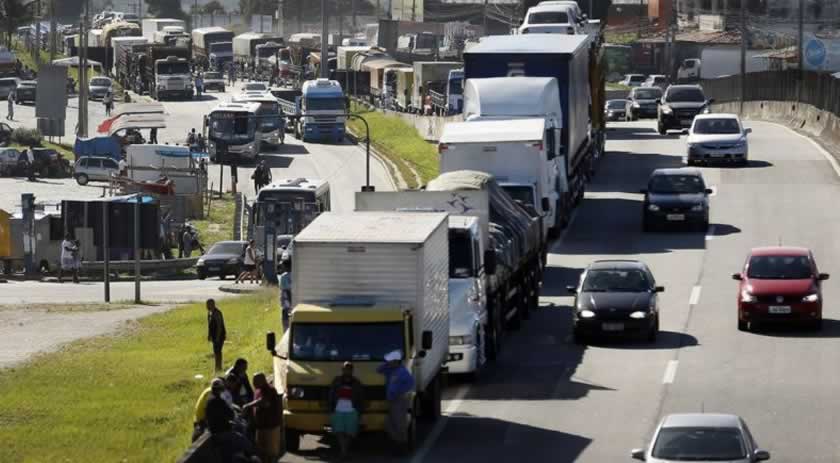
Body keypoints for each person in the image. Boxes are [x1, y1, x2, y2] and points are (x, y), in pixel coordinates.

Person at [377, 350, 414, 451]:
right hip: (392, 401)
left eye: (390, 361)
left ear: (396, 361)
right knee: (389, 424)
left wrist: (399, 392)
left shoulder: (402, 372)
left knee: (399, 424)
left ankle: (402, 445)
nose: (388, 362)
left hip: (399, 400)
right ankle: (399, 442)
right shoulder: (391, 370)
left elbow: (410, 383)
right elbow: (378, 369)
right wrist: (387, 364)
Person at [243, 372, 283, 463]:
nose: (253, 383)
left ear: (262, 380)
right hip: (260, 427)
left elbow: (265, 402)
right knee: (261, 452)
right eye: (253, 381)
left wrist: (248, 406)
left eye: (255, 381)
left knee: (271, 453)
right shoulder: (258, 390)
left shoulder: (270, 390)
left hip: (270, 427)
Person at [329, 362, 365, 460]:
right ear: (342, 370)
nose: (347, 370)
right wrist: (331, 408)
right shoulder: (336, 381)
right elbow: (331, 395)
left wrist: (360, 411)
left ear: (352, 371)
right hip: (338, 409)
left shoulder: (357, 383)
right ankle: (344, 452)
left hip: (352, 410)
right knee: (339, 431)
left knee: (350, 432)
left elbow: (361, 398)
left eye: (349, 369)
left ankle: (344, 451)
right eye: (345, 369)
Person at [207, 299, 227, 372]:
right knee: (215, 351)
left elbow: (219, 326)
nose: (207, 306)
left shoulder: (217, 313)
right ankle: (217, 367)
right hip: (214, 335)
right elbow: (209, 325)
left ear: (212, 304)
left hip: (219, 335)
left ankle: (218, 368)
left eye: (208, 304)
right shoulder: (209, 313)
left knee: (218, 352)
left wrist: (218, 337)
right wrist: (209, 335)